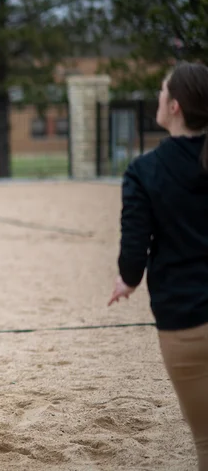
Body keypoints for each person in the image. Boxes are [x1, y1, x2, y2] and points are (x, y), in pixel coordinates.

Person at [109, 62, 208, 470]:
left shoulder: (144, 170)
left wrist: (127, 281)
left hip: (185, 320)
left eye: (163, 91)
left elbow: (135, 248)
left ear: (176, 107)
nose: (159, 97)